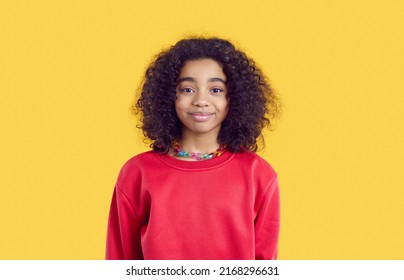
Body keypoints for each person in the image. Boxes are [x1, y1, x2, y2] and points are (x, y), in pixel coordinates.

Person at [105, 37, 282, 260]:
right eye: (188, 89)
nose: (201, 100)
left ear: (234, 98)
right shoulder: (137, 172)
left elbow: (266, 263)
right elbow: (120, 258)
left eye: (216, 90)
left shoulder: (258, 173)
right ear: (170, 96)